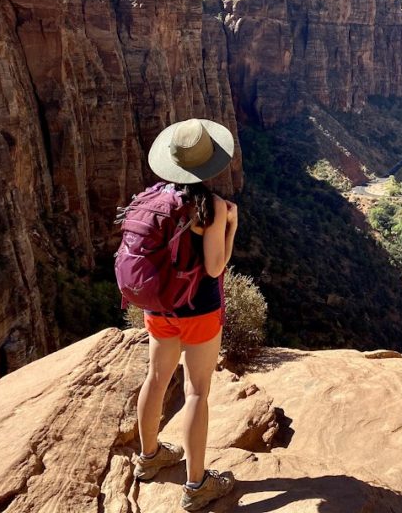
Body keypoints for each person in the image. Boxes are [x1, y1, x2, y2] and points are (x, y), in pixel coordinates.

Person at [130, 118, 239, 511]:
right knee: (196, 391)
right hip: (199, 311)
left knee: (156, 378)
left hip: (159, 306)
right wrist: (230, 226)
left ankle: (149, 457)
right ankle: (196, 486)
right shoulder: (209, 206)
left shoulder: (155, 196)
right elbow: (214, 267)